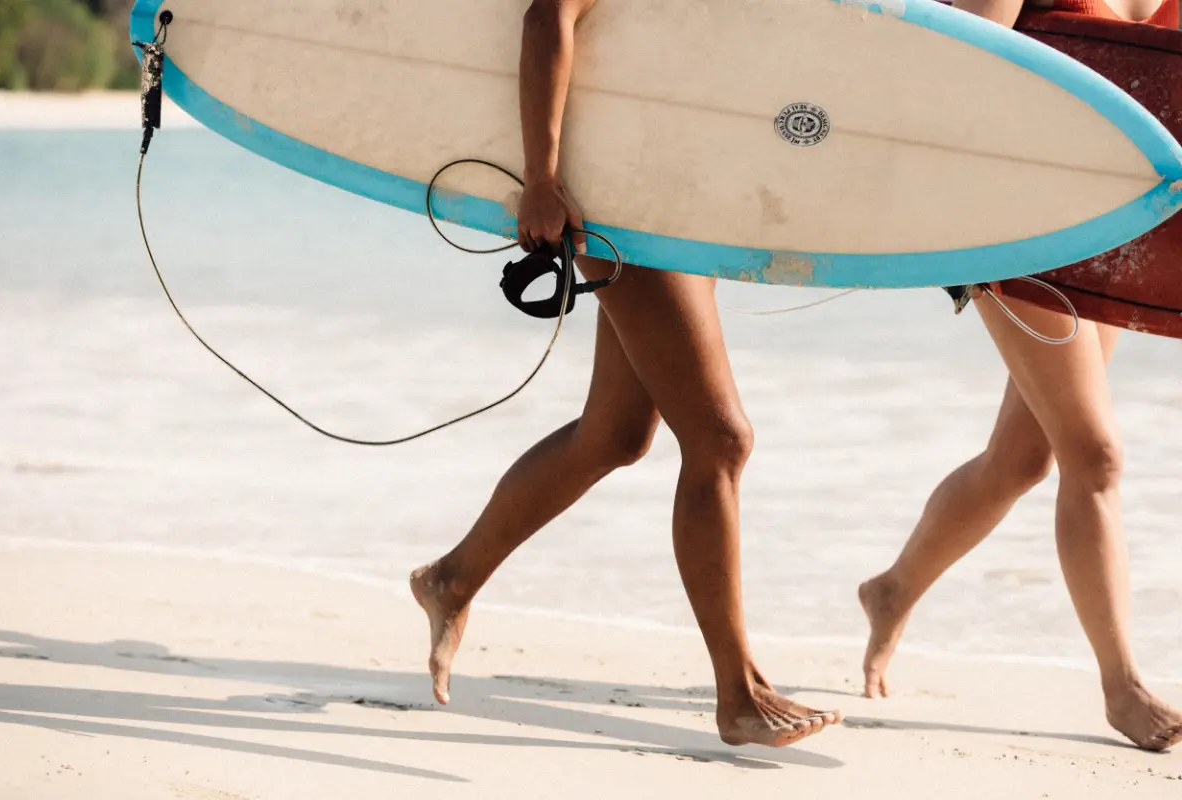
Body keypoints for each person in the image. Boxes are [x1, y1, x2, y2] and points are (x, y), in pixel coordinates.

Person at [409, 0, 841, 748]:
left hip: (679, 198)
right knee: (721, 439)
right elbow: (549, 14)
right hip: (619, 202)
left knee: (615, 433)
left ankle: (451, 578)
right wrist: (540, 176)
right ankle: (736, 692)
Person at [859, 0, 1182, 753]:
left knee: (1021, 459)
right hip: (1014, 227)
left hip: (1111, 229)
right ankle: (1122, 686)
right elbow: (944, 72)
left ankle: (891, 589)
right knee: (1093, 452)